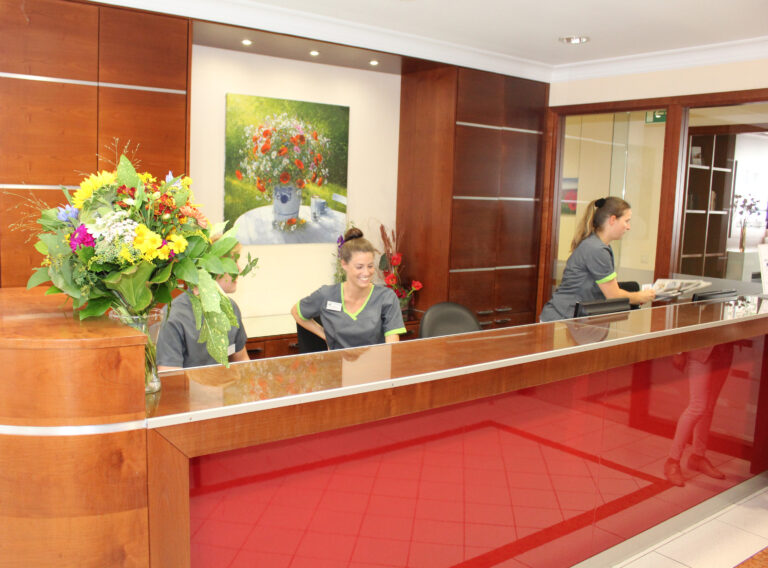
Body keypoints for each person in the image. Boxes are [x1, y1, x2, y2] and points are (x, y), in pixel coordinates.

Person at [539, 196, 655, 322]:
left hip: (573, 319)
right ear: (612, 220)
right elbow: (613, 295)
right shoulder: (596, 249)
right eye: (626, 221)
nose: (628, 227)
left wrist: (635, 297)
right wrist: (641, 296)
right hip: (560, 318)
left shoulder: (600, 246)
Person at [291, 228, 406, 349]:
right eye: (359, 267)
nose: (366, 272)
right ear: (344, 264)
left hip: (374, 360)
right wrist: (325, 335)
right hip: (338, 360)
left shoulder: (386, 297)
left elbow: (392, 347)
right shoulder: (327, 295)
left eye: (370, 266)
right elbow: (296, 312)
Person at [157, 241, 250, 370]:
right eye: (232, 264)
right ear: (211, 269)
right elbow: (170, 376)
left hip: (223, 382)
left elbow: (243, 363)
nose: (239, 270)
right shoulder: (173, 317)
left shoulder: (231, 308)